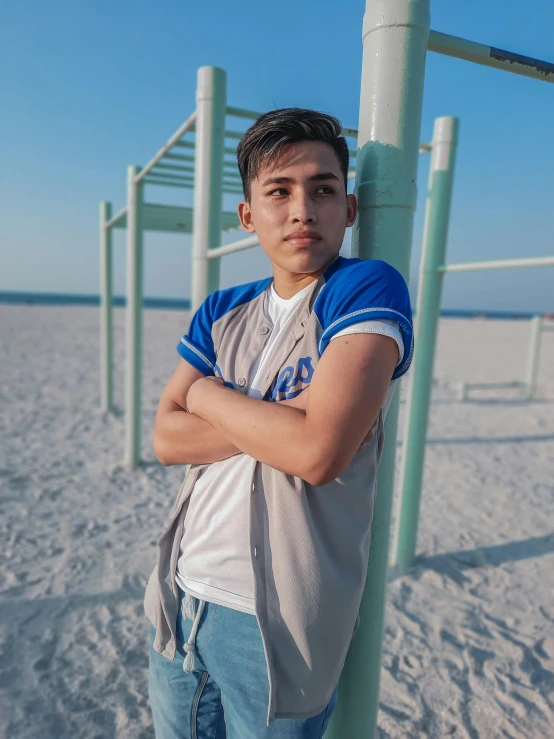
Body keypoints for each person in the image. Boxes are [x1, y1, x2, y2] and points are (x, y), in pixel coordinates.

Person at [145, 108, 413, 739]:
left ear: (349, 210)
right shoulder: (222, 308)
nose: (302, 209)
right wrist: (279, 423)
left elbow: (319, 452)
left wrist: (206, 394)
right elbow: (164, 439)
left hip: (277, 629)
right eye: (280, 192)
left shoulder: (363, 288)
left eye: (323, 189)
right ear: (248, 217)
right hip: (180, 597)